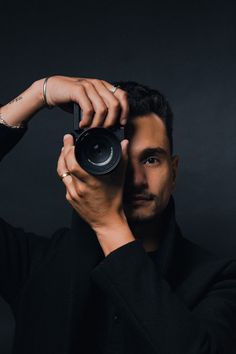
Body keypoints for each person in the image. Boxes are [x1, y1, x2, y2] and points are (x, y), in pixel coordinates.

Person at [0, 75, 235, 354]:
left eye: (150, 159)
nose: (135, 179)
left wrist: (109, 225)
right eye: (117, 158)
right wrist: (39, 93)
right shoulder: (35, 263)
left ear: (174, 172)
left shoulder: (219, 280)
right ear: (84, 163)